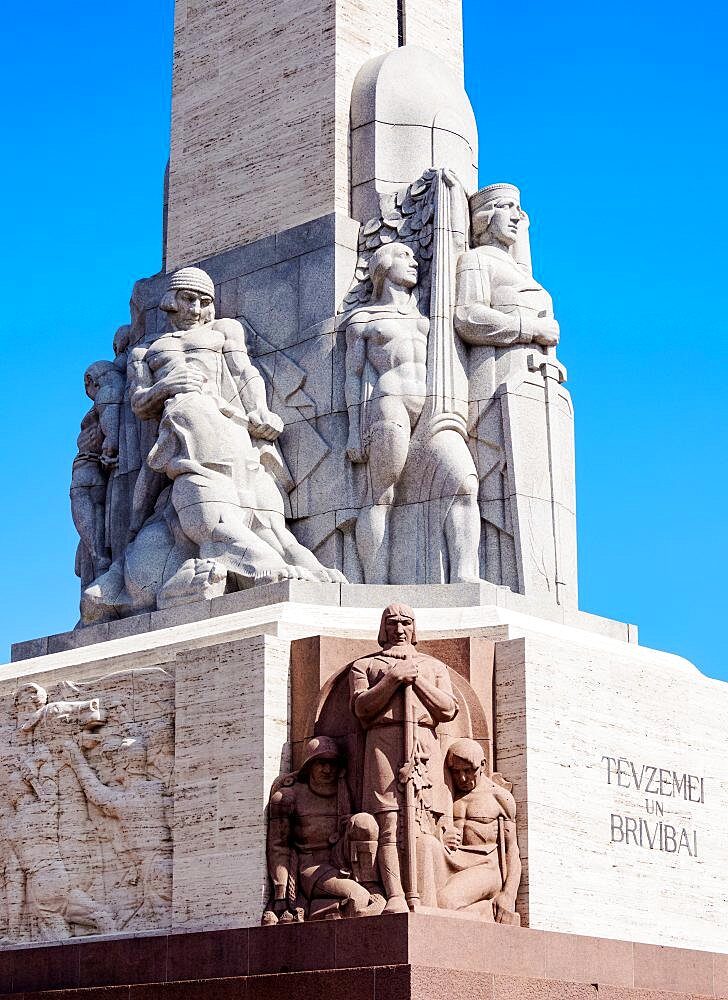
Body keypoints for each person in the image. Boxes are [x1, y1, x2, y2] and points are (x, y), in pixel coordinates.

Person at [345, 244, 480, 583]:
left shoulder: (428, 315)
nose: (414, 262)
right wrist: (353, 429)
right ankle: (374, 583)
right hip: (390, 401)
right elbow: (353, 376)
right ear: (382, 266)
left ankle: (465, 576)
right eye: (404, 256)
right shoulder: (363, 320)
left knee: (465, 483)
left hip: (434, 408)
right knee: (382, 494)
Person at [349, 604, 459, 912]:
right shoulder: (364, 666)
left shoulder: (434, 667)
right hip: (382, 742)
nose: (399, 629)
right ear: (383, 629)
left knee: (422, 823)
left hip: (423, 742)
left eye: (406, 623)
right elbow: (361, 708)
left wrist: (417, 679)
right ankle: (395, 894)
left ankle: (422, 894)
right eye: (393, 623)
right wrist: (392, 679)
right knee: (389, 820)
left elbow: (447, 710)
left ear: (414, 628)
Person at [263, 737, 384, 923]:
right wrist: (281, 894)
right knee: (357, 897)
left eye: (332, 764)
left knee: (364, 822)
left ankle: (372, 886)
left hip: (341, 859)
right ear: (309, 765)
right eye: (321, 763)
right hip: (311, 867)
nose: (328, 770)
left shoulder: (343, 790)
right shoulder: (288, 797)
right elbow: (279, 848)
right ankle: (322, 911)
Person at [427, 737, 521, 922]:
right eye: (457, 772)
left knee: (444, 902)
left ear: (483, 765)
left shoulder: (499, 797)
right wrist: (441, 838)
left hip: (485, 866)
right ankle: (484, 910)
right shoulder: (447, 797)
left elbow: (512, 850)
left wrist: (508, 895)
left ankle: (487, 911)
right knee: (430, 900)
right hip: (452, 863)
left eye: (469, 771)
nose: (462, 778)